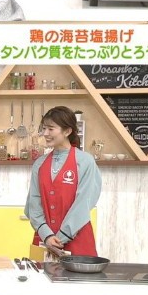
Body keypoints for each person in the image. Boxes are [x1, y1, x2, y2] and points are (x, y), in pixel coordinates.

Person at [25, 106, 102, 258]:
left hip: (77, 238)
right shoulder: (39, 164)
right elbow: (33, 204)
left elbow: (84, 202)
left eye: (51, 129)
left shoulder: (85, 161)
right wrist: (47, 235)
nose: (45, 133)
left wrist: (61, 237)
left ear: (67, 131)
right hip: (44, 239)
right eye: (44, 128)